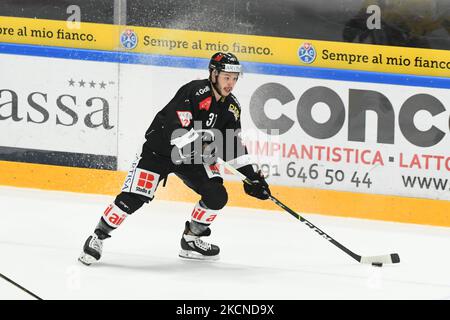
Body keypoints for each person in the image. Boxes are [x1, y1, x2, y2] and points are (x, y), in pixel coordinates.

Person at [78, 52, 271, 264]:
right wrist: (203, 146)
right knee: (133, 198)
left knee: (216, 195)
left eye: (234, 79)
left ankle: (191, 239)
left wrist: (252, 177)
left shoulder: (231, 107)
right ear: (213, 74)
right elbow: (176, 130)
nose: (231, 83)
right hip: (159, 152)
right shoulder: (194, 92)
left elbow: (232, 145)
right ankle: (98, 236)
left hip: (192, 157)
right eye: (226, 77)